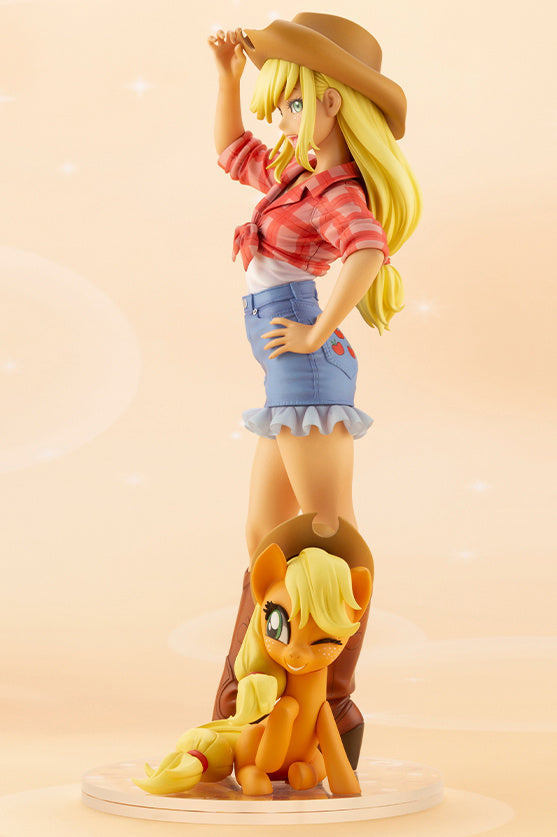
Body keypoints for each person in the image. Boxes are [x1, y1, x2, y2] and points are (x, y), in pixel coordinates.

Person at [207, 13, 421, 766]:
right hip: (283, 370)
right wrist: (228, 78)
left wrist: (315, 328)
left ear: (332, 103)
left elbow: (366, 250)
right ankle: (252, 695)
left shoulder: (335, 191)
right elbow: (232, 152)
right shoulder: (294, 175)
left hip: (303, 364)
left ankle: (332, 699)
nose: (284, 118)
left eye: (295, 102)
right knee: (265, 531)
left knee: (327, 531)